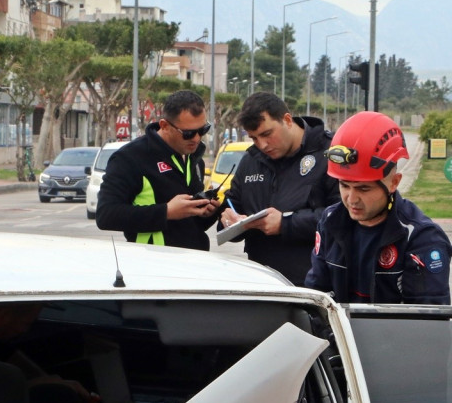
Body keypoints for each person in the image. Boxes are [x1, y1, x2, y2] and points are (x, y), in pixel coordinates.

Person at [305, 111, 452, 305]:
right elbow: (315, 298)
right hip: (339, 334)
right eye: (344, 185)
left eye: (363, 188)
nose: (351, 199)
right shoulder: (330, 221)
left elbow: (427, 322)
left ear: (394, 182)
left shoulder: (421, 238)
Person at [218, 92, 340, 284]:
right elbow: (232, 205)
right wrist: (228, 220)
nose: (262, 145)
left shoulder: (330, 153)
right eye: (254, 138)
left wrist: (286, 223)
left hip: (315, 286)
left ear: (287, 120)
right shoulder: (251, 160)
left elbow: (343, 215)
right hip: (262, 285)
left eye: (267, 134)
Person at [95, 90, 220, 250]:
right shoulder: (130, 158)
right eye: (188, 133)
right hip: (153, 264)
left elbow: (189, 225)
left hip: (194, 261)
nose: (196, 138)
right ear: (164, 126)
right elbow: (106, 215)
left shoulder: (194, 158)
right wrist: (166, 212)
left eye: (203, 130)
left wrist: (208, 213)